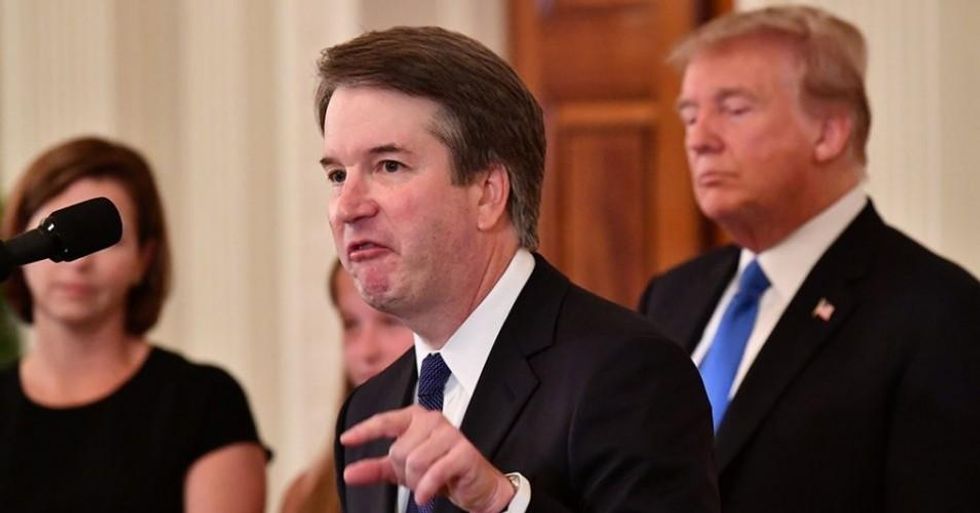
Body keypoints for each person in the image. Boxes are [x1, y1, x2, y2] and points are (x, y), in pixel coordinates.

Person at [317, 26, 719, 513]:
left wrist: (501, 504)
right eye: (338, 174)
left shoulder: (626, 374)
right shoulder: (368, 411)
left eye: (389, 166)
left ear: (488, 193)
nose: (348, 207)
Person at [637, 6, 980, 513]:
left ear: (829, 133)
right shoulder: (670, 295)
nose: (699, 139)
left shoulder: (940, 313)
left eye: (733, 109)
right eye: (689, 115)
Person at [0, 136, 268, 513]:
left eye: (104, 243)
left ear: (145, 258)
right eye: (52, 234)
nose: (78, 263)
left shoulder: (203, 402)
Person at [280, 260, 414, 513]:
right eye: (350, 324)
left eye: (390, 322)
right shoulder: (305, 494)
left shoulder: (470, 469)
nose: (366, 350)